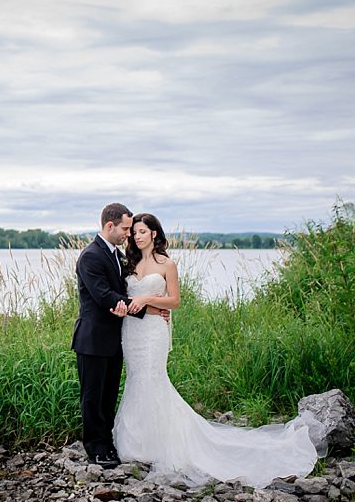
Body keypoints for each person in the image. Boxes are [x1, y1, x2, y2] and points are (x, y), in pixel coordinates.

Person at [111, 212, 318, 487]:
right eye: (134, 232)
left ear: (154, 234)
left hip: (153, 332)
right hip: (132, 330)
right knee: (136, 378)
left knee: (153, 378)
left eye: (141, 231)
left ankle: (163, 442)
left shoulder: (167, 264)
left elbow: (174, 301)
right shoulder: (130, 263)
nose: (136, 236)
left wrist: (149, 297)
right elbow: (124, 297)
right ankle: (137, 440)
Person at [71, 203, 168, 468]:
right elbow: (104, 296)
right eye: (126, 228)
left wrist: (153, 309)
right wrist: (148, 309)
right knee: (92, 397)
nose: (129, 234)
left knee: (109, 394)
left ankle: (108, 442)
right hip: (92, 339)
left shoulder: (117, 255)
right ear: (110, 226)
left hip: (116, 339)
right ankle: (96, 448)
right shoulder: (91, 256)